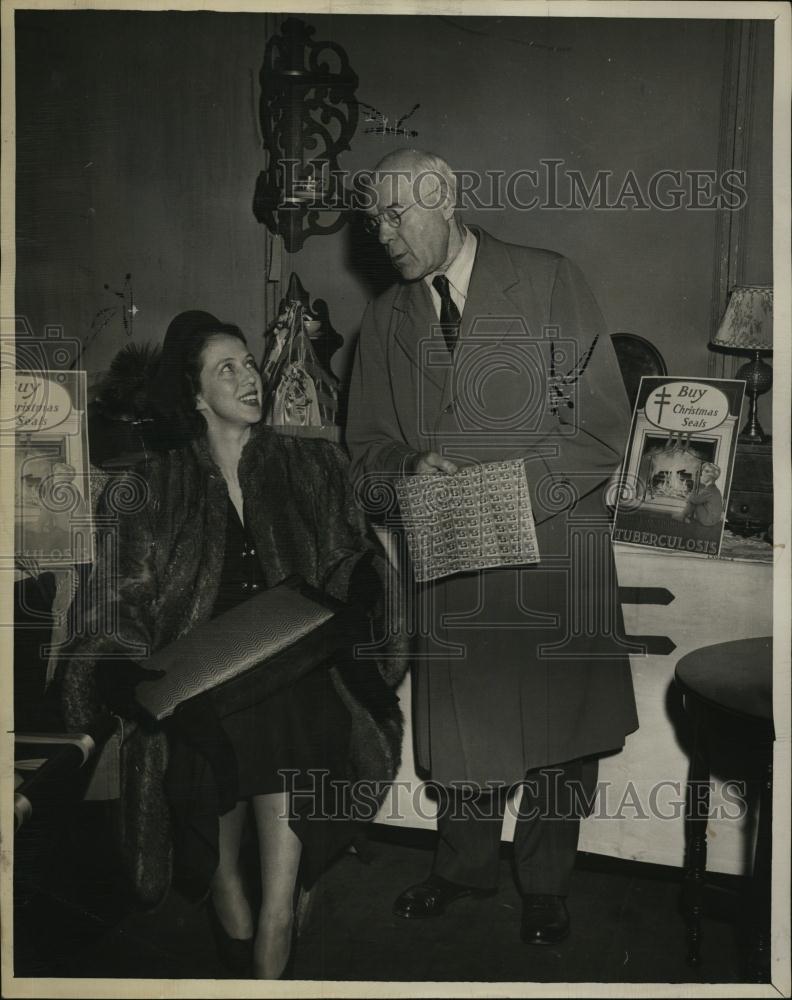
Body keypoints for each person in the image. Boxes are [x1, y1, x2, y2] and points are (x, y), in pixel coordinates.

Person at [346, 149, 639, 946]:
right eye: (372, 219)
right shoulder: (385, 319)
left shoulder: (548, 280)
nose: (381, 235)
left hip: (550, 545)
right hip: (450, 551)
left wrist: (493, 498)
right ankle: (463, 869)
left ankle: (545, 885)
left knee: (558, 737)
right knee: (467, 733)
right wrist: (407, 466)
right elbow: (362, 452)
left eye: (393, 213)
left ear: (442, 197)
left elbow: (599, 428)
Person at [62, 310, 406, 979]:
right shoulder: (154, 487)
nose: (250, 376)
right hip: (203, 677)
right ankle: (230, 897)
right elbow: (118, 595)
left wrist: (363, 584)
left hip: (295, 664)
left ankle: (278, 919)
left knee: (293, 712)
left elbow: (353, 558)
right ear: (194, 396)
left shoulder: (313, 464)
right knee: (203, 740)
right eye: (228, 368)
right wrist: (118, 663)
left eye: (250, 363)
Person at [683, 462, 723, 527]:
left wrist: (696, 484)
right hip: (712, 518)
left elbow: (694, 500)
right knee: (696, 499)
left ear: (711, 477)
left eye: (705, 472)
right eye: (703, 471)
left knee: (694, 501)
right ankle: (686, 516)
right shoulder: (712, 488)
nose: (702, 474)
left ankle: (684, 516)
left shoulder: (709, 490)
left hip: (709, 520)